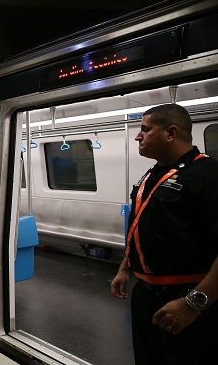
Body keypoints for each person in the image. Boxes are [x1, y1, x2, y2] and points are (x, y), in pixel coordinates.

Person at [110, 103, 218, 364]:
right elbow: (144, 224)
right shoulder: (153, 174)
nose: (138, 136)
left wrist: (193, 304)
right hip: (146, 295)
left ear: (170, 133)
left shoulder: (208, 176)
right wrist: (126, 267)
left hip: (186, 295)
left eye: (145, 130)